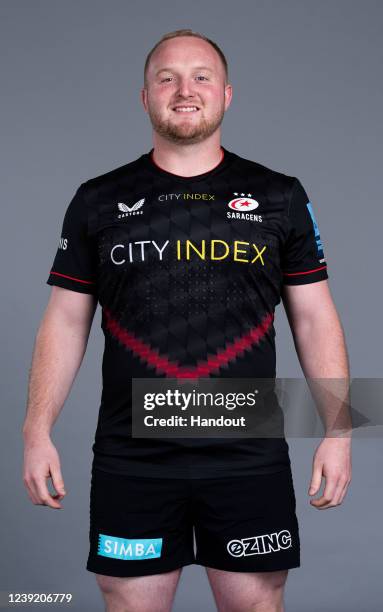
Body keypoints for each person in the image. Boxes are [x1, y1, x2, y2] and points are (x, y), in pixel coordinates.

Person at [22, 29, 352, 612]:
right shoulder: (98, 199)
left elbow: (315, 318)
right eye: (166, 77)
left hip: (248, 451)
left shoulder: (279, 195)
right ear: (144, 97)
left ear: (227, 95)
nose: (184, 90)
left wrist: (339, 430)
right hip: (133, 456)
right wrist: (36, 429)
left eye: (201, 76)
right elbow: (66, 322)